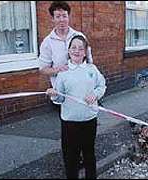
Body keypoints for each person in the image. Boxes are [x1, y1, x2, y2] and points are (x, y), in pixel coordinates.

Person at [46, 35, 106, 179]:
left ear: (85, 52)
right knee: (71, 158)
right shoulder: (63, 73)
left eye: (81, 48)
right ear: (69, 50)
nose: (77, 51)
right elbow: (59, 98)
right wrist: (53, 94)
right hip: (69, 123)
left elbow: (102, 85)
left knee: (89, 155)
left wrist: (95, 95)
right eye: (74, 47)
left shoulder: (92, 69)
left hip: (89, 120)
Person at [39, 1, 93, 96]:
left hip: (82, 89)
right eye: (58, 16)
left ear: (68, 17)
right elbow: (43, 69)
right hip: (61, 92)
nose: (62, 20)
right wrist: (58, 69)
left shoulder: (79, 36)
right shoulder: (47, 42)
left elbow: (89, 62)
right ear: (53, 19)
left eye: (64, 16)